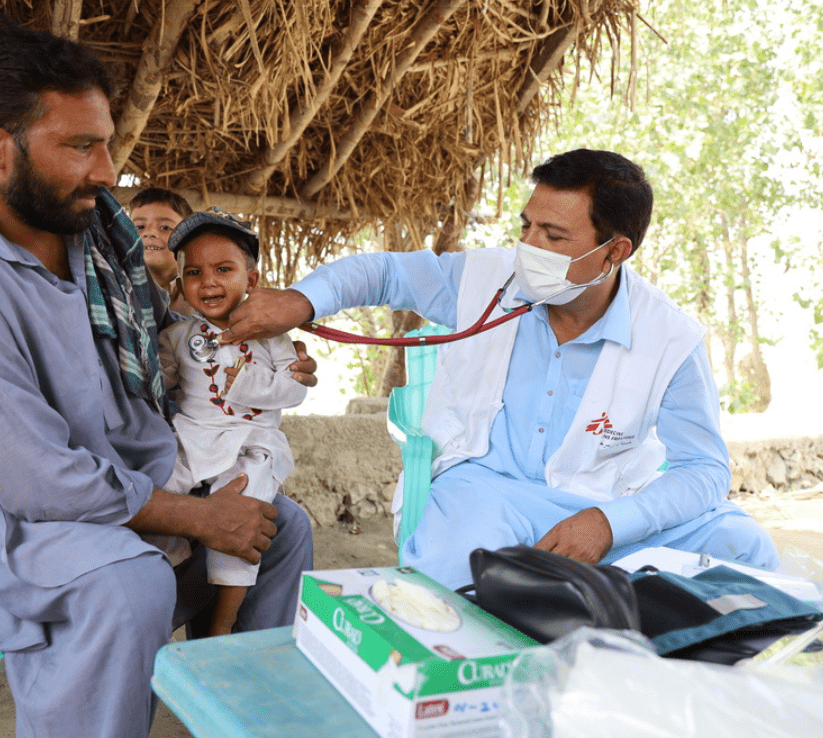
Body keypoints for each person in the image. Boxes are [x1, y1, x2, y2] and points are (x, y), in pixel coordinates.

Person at [0, 17, 316, 738]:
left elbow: (166, 353)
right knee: (128, 582)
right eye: (80, 146)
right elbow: (35, 479)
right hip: (9, 514)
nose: (108, 171)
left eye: (105, 141)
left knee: (279, 528)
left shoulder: (86, 229)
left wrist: (263, 359)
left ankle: (231, 717)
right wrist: (199, 517)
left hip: (129, 466)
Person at [219, 148, 780, 591]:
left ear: (615, 251)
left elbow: (704, 472)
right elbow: (383, 273)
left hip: (603, 506)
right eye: (526, 226)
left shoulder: (672, 338)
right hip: (486, 493)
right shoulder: (485, 277)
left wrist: (608, 525)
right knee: (468, 578)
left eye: (553, 237)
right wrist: (303, 299)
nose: (528, 247)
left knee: (743, 549)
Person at [150, 209, 307, 636]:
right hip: (193, 437)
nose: (210, 282)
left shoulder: (273, 336)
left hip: (250, 443)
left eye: (224, 269)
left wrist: (249, 384)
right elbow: (159, 387)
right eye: (195, 273)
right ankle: (159, 594)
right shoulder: (178, 338)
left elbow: (294, 390)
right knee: (164, 491)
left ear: (251, 280)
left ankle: (224, 620)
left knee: (249, 506)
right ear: (180, 285)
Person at [128, 187, 194, 315]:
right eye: (139, 227)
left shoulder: (200, 291)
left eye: (165, 227)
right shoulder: (116, 289)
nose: (149, 233)